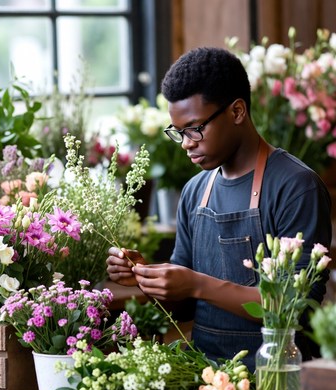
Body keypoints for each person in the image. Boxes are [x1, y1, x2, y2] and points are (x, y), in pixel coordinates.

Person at [106, 47, 332, 371]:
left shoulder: (296, 187)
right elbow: (184, 308)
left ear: (237, 111)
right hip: (206, 376)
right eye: (179, 132)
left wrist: (197, 283)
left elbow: (291, 307)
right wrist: (149, 278)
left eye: (195, 128)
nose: (186, 142)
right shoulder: (195, 192)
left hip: (277, 378)